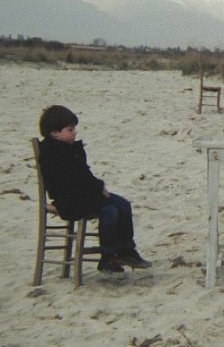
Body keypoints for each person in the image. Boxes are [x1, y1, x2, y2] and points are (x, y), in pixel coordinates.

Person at [37, 105, 152, 273]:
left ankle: (127, 250)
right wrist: (98, 187)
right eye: (70, 130)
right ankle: (108, 256)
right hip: (69, 201)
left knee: (123, 204)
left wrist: (98, 187)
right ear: (54, 133)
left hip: (86, 195)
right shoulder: (52, 154)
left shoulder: (70, 148)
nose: (74, 133)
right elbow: (75, 178)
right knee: (109, 210)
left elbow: (84, 173)